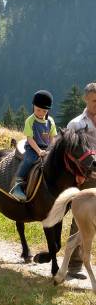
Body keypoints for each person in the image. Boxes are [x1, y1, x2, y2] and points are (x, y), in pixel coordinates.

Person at [66, 82, 96, 279]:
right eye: (95, 100)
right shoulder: (76, 124)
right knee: (82, 220)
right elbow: (68, 153)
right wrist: (77, 175)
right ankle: (75, 265)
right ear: (86, 99)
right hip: (86, 177)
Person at [10, 90, 57, 202]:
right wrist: (39, 151)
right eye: (38, 110)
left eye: (44, 111)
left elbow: (52, 137)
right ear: (33, 107)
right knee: (29, 160)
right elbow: (30, 139)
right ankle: (17, 184)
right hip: (33, 147)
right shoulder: (30, 121)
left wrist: (51, 149)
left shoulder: (50, 121)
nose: (41, 113)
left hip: (46, 147)